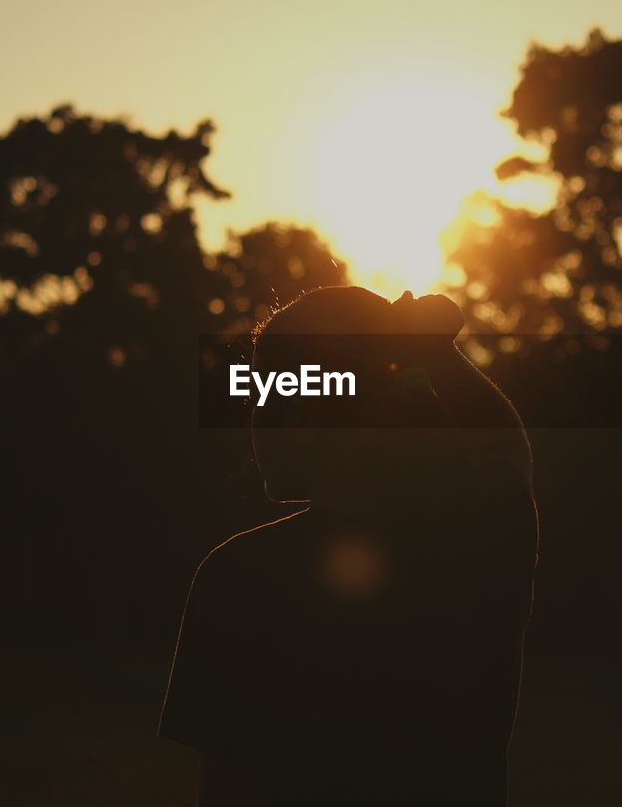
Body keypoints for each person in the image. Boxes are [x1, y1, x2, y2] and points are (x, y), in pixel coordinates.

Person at [160, 286, 538, 806]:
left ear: (308, 421)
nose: (252, 419)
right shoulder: (485, 536)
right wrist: (432, 351)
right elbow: (505, 445)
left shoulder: (241, 577)